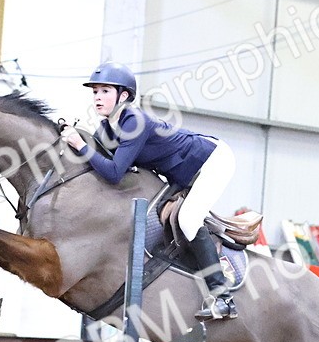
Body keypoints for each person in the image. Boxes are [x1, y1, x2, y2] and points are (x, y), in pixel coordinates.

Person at [63, 62, 238, 321]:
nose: (98, 97)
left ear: (123, 96)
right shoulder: (107, 127)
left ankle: (223, 298)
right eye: (95, 92)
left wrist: (79, 145)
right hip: (181, 172)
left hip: (212, 161)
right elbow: (98, 163)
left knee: (187, 219)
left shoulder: (134, 121)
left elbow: (113, 172)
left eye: (104, 91)